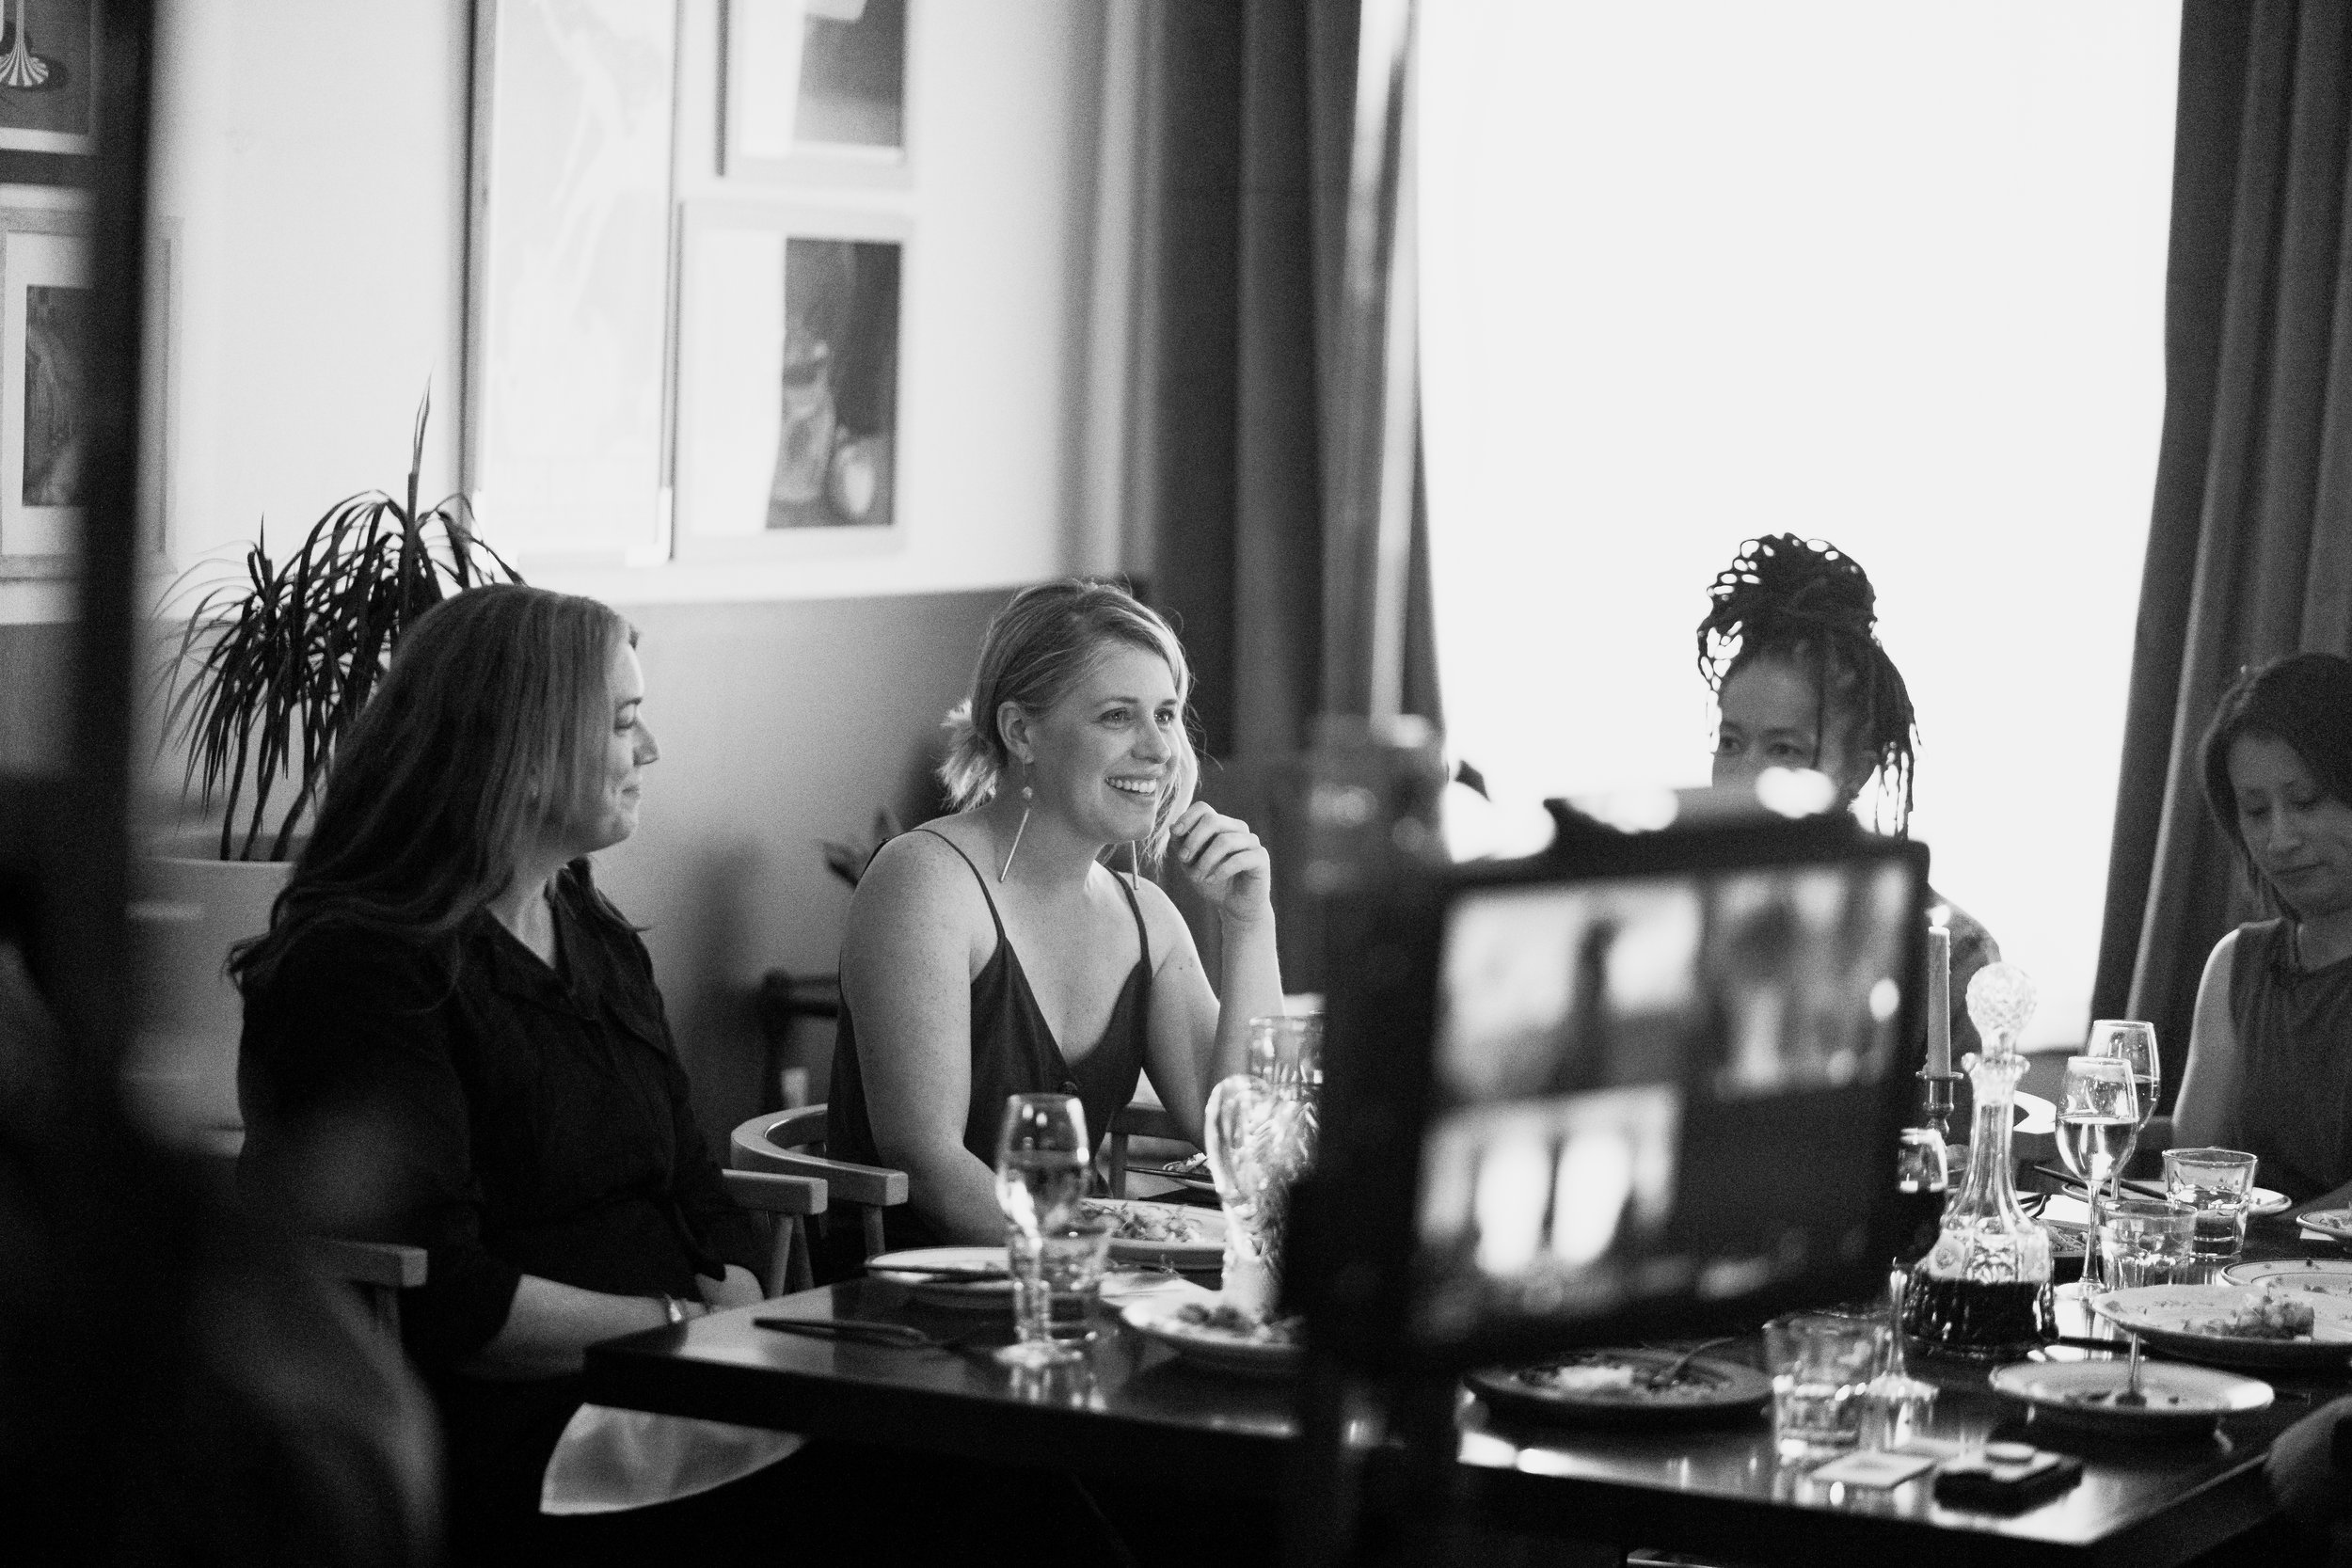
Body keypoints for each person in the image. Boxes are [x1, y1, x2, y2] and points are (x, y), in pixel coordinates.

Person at [826, 578, 1284, 1259]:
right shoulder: (923, 881)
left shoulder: (1147, 920)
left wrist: (1249, 923)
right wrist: (1096, 1264)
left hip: (1082, 1294)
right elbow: (931, 1168)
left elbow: (1248, 1140)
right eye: (1117, 716)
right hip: (910, 1318)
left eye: (1166, 713)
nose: (1159, 750)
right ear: (1021, 731)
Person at [1696, 533, 2001, 1060]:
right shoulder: (1672, 920)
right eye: (1730, 742)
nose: (1746, 776)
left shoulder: (1947, 954)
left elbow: (1964, 1140)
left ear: (1859, 766)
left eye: (1785, 749)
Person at [2175, 652, 2352, 1207]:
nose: (2279, 839)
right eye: (2255, 810)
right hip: (2241, 1281)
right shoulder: (2239, 963)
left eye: (2306, 801)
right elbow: (2197, 1163)